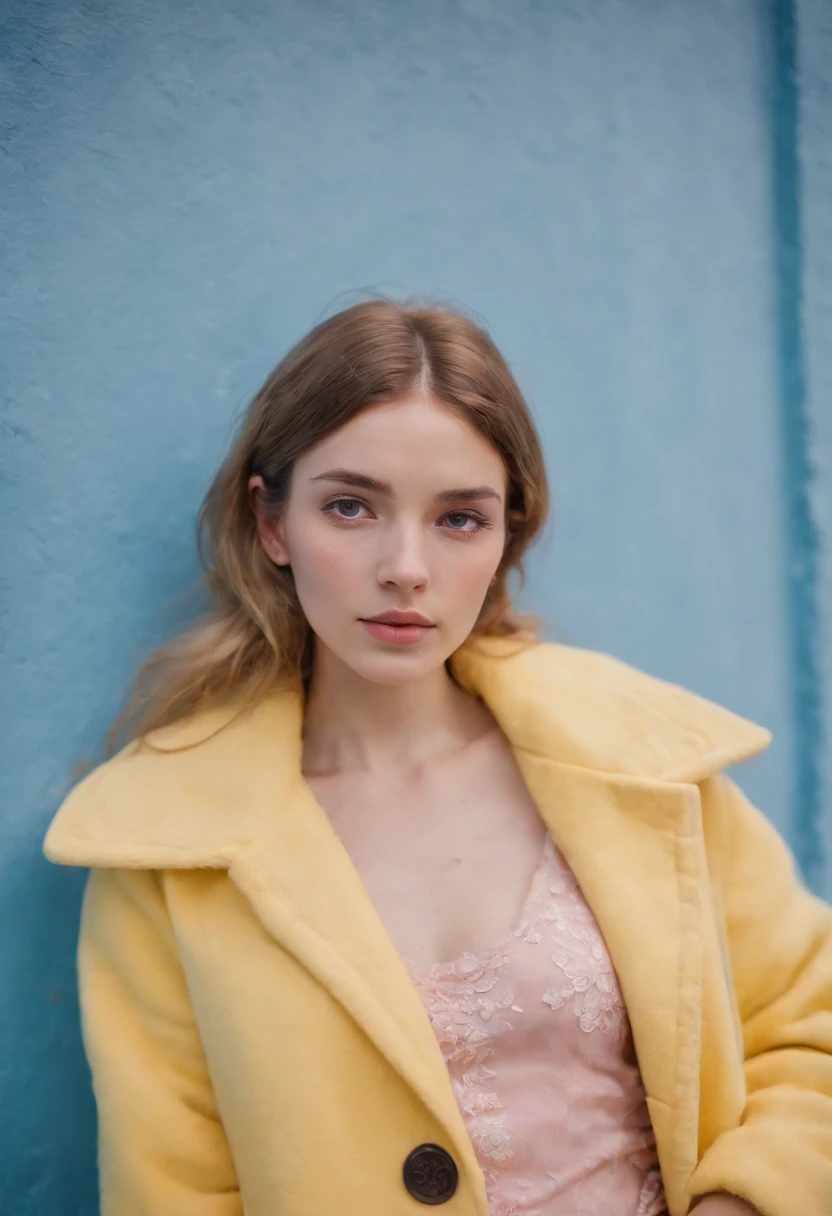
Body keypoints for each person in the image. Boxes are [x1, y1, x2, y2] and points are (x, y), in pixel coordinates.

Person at [45, 299, 832, 1216]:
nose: (406, 567)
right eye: (350, 506)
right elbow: (174, 1189)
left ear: (507, 536)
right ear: (271, 523)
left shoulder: (639, 762)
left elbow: (809, 1029)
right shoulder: (172, 848)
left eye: (459, 518)